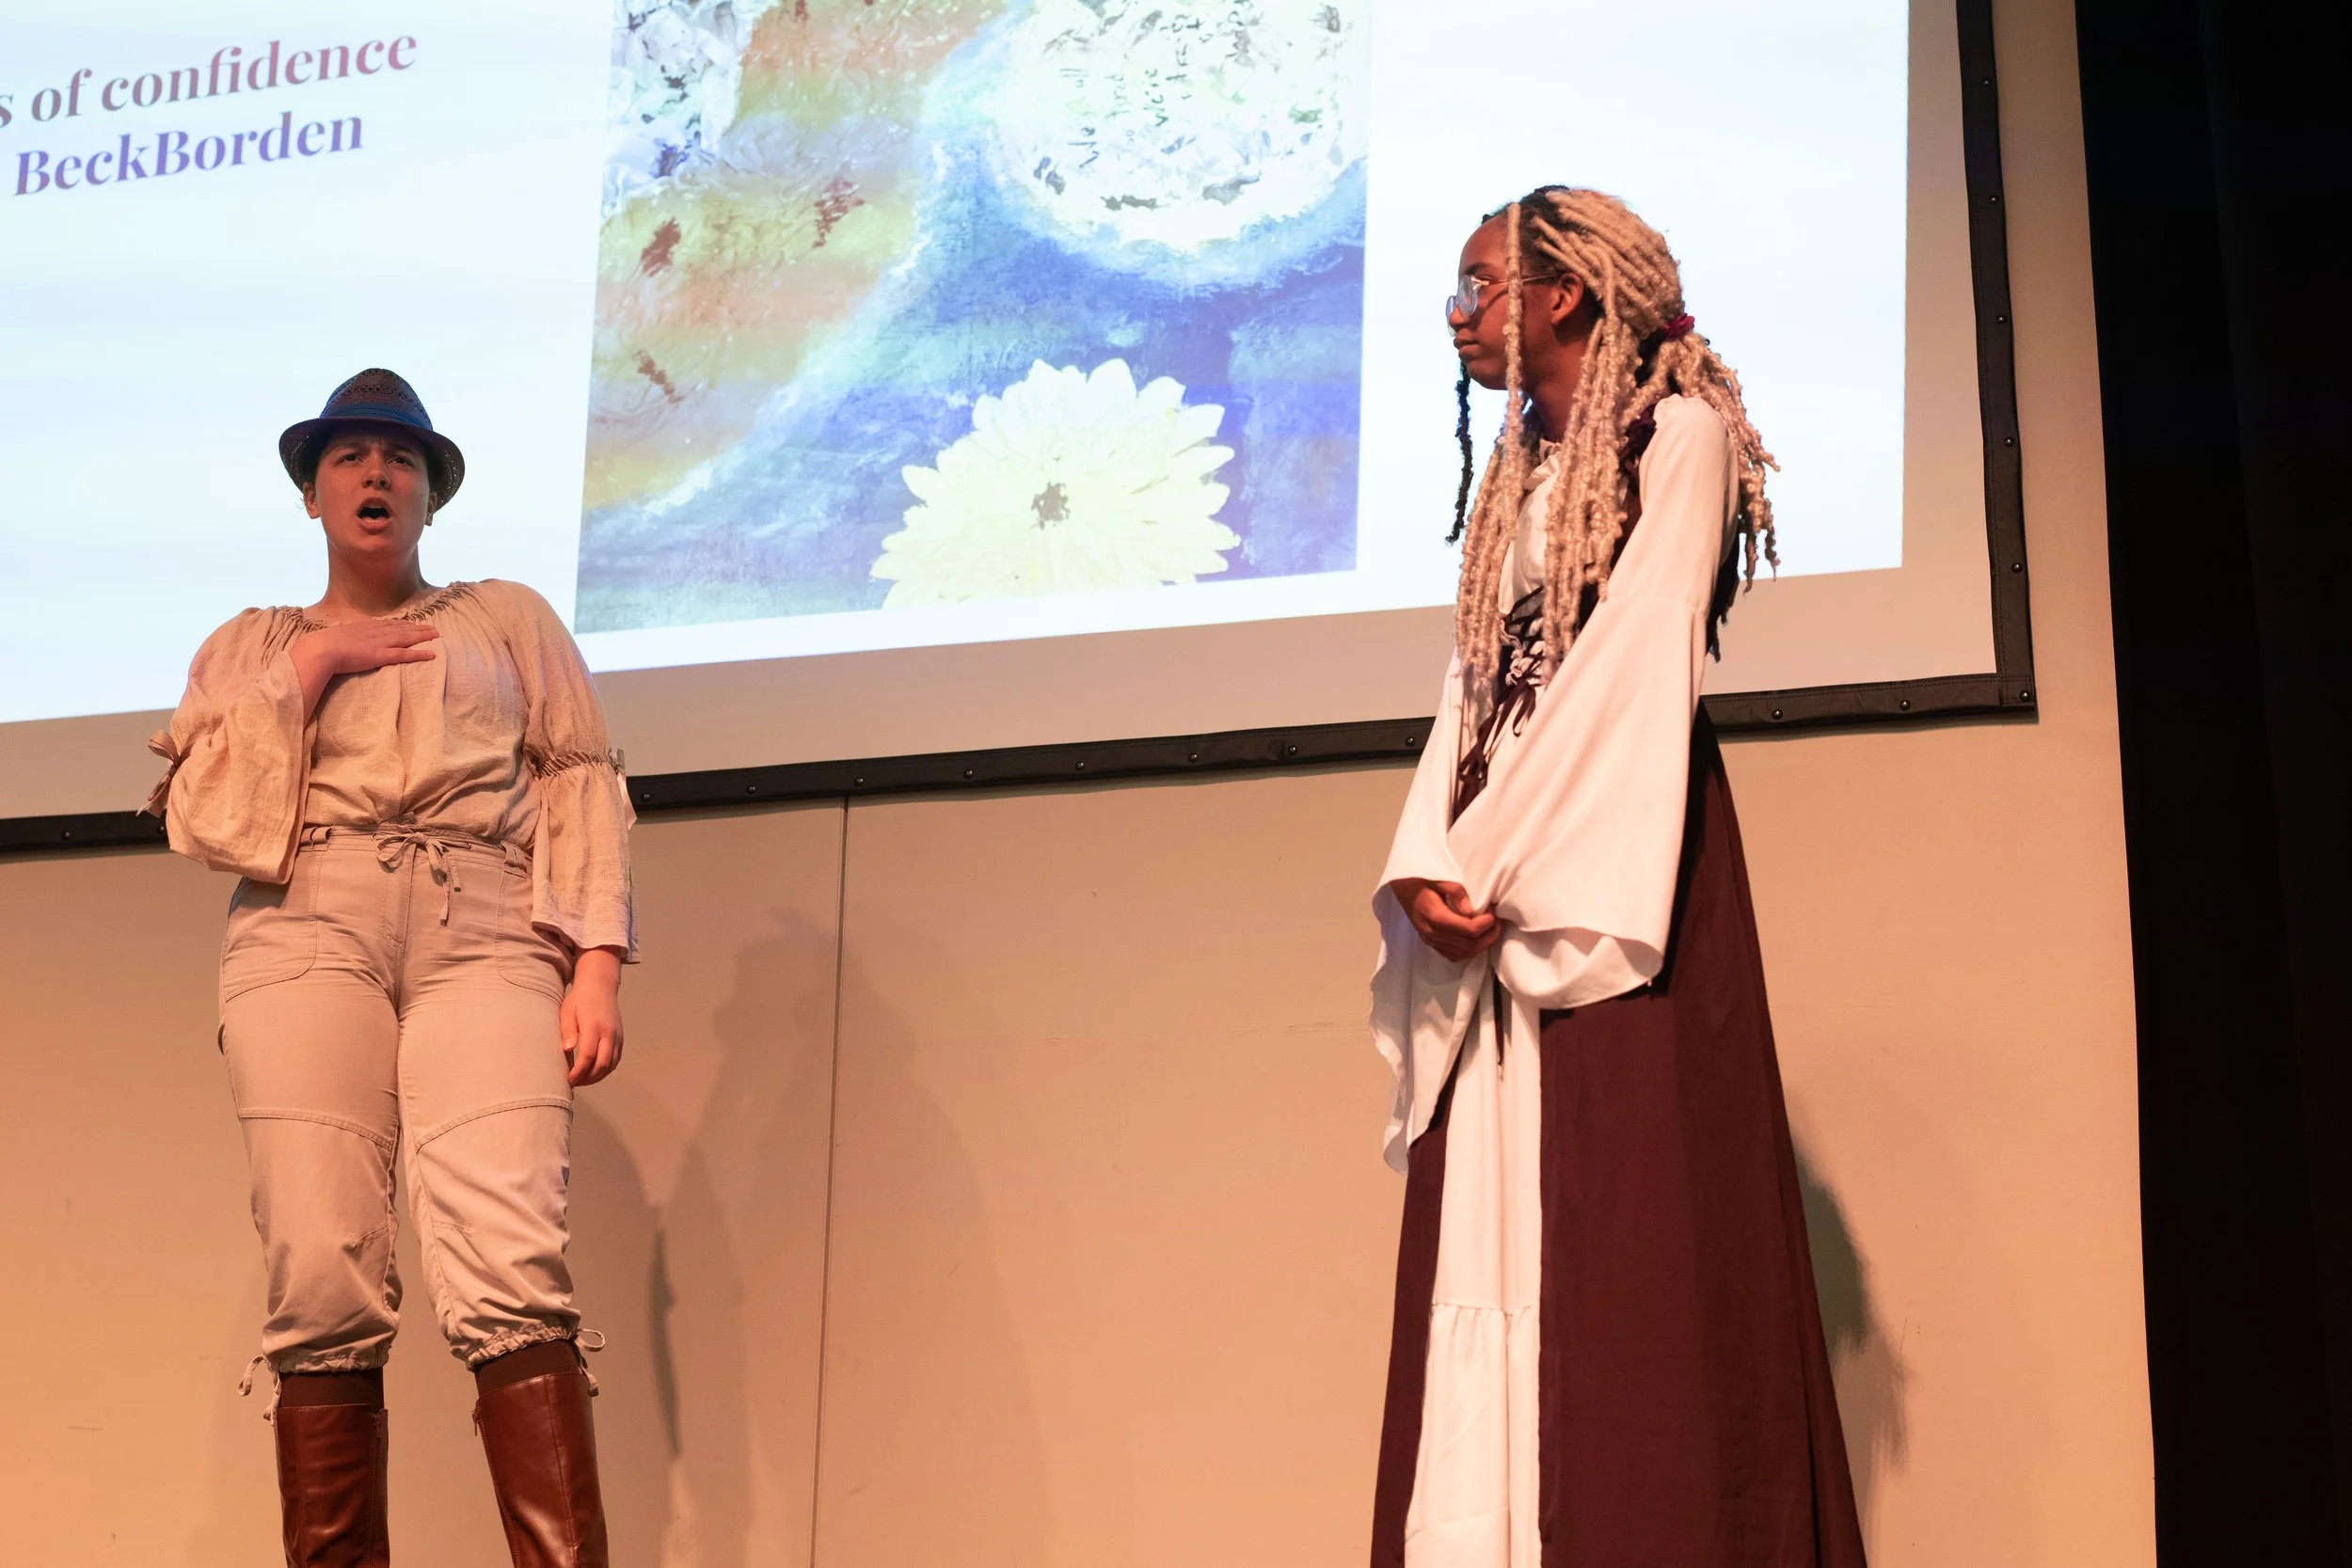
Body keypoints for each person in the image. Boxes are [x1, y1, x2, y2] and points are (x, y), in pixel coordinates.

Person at [1366, 189, 1867, 1566]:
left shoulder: (1677, 434)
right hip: (1500, 865)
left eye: (1478, 286)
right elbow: (1473, 683)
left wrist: (1502, 853)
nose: (1458, 316)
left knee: (1628, 1207)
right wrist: (1426, 860)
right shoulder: (1524, 472)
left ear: (1565, 293)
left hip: (1610, 855)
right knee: (1492, 1215)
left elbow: (1638, 653)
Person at [144, 369, 636, 1568]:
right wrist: (310, 670)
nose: (376, 473)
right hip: (307, 919)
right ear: (312, 494)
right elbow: (201, 811)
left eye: (401, 457)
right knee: (320, 1266)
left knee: (513, 1256)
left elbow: (580, 778)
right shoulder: (252, 643)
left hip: (487, 921)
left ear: (430, 494)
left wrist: (597, 963)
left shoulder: (506, 617)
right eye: (350, 456)